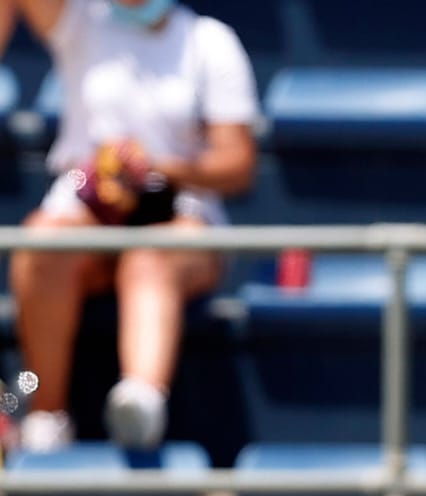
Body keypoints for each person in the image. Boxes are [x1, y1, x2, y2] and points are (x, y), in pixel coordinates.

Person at [0, 0, 258, 455]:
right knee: (41, 240)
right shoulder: (79, 23)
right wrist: (101, 176)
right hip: (82, 191)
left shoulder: (210, 42)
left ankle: (140, 402)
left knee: (150, 257)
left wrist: (161, 169)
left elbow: (238, 162)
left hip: (183, 210)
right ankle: (45, 416)